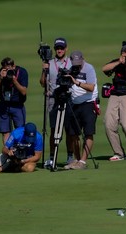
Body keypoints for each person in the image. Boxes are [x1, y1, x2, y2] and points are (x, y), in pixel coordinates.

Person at [102, 40, 126, 161]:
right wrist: (119, 62)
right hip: (114, 94)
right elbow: (104, 69)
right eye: (124, 55)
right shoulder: (118, 62)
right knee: (108, 124)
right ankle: (118, 153)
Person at [40, 37, 74, 168]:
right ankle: (51, 158)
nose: (59, 50)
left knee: (69, 130)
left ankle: (70, 157)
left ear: (66, 48)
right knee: (54, 129)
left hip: (68, 98)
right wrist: (44, 70)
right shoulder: (49, 63)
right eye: (57, 48)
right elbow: (42, 83)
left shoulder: (71, 63)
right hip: (53, 99)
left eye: (62, 48)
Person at [64, 50, 99, 170]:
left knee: (88, 133)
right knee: (73, 134)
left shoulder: (89, 69)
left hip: (88, 103)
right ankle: (77, 159)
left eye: (79, 63)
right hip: (74, 104)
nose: (77, 66)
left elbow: (91, 87)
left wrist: (76, 82)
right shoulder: (70, 69)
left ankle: (83, 161)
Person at [0, 57, 29, 145]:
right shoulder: (2, 72)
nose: (7, 70)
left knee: (20, 131)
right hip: (4, 105)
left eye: (9, 68)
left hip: (17, 105)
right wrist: (1, 78)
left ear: (14, 66)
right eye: (5, 68)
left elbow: (23, 92)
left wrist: (14, 80)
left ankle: (19, 153)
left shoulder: (22, 72)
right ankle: (7, 152)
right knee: (5, 131)